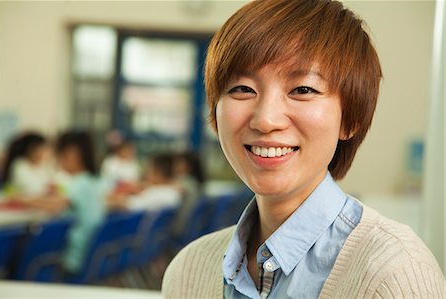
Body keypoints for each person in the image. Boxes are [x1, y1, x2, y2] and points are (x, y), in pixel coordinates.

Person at [162, 1, 445, 298]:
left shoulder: (393, 274)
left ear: (350, 119)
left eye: (303, 90)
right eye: (242, 89)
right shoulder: (188, 271)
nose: (266, 120)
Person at [55, 130, 110, 275]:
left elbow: (56, 204)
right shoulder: (95, 181)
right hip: (92, 256)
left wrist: (23, 200)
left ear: (73, 154)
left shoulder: (78, 183)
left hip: (73, 259)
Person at [0, 131, 64, 212]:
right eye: (42, 148)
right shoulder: (20, 165)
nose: (45, 152)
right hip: (25, 208)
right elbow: (32, 191)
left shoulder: (42, 166)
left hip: (39, 206)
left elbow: (54, 186)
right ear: (31, 149)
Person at [171, 151, 205, 237]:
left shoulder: (185, 184)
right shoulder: (196, 183)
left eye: (178, 162)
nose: (174, 165)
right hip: (191, 226)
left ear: (187, 165)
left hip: (181, 228)